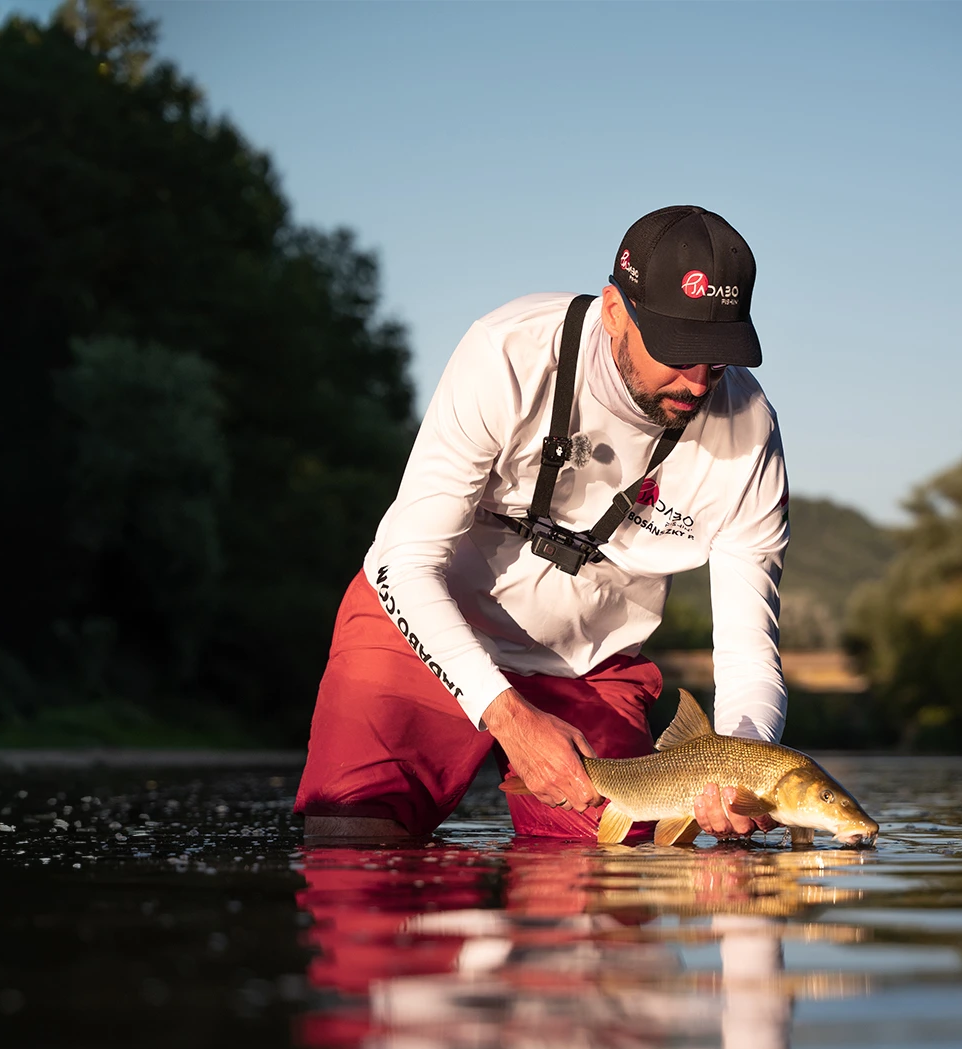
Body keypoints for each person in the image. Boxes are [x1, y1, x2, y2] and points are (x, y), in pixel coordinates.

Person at [295, 206, 789, 843]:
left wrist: (741, 767)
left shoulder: (750, 433)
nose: (697, 383)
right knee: (351, 847)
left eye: (717, 359)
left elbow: (749, 650)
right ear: (615, 310)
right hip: (426, 624)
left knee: (615, 881)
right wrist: (506, 714)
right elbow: (402, 562)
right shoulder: (507, 353)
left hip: (589, 665)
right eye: (678, 352)